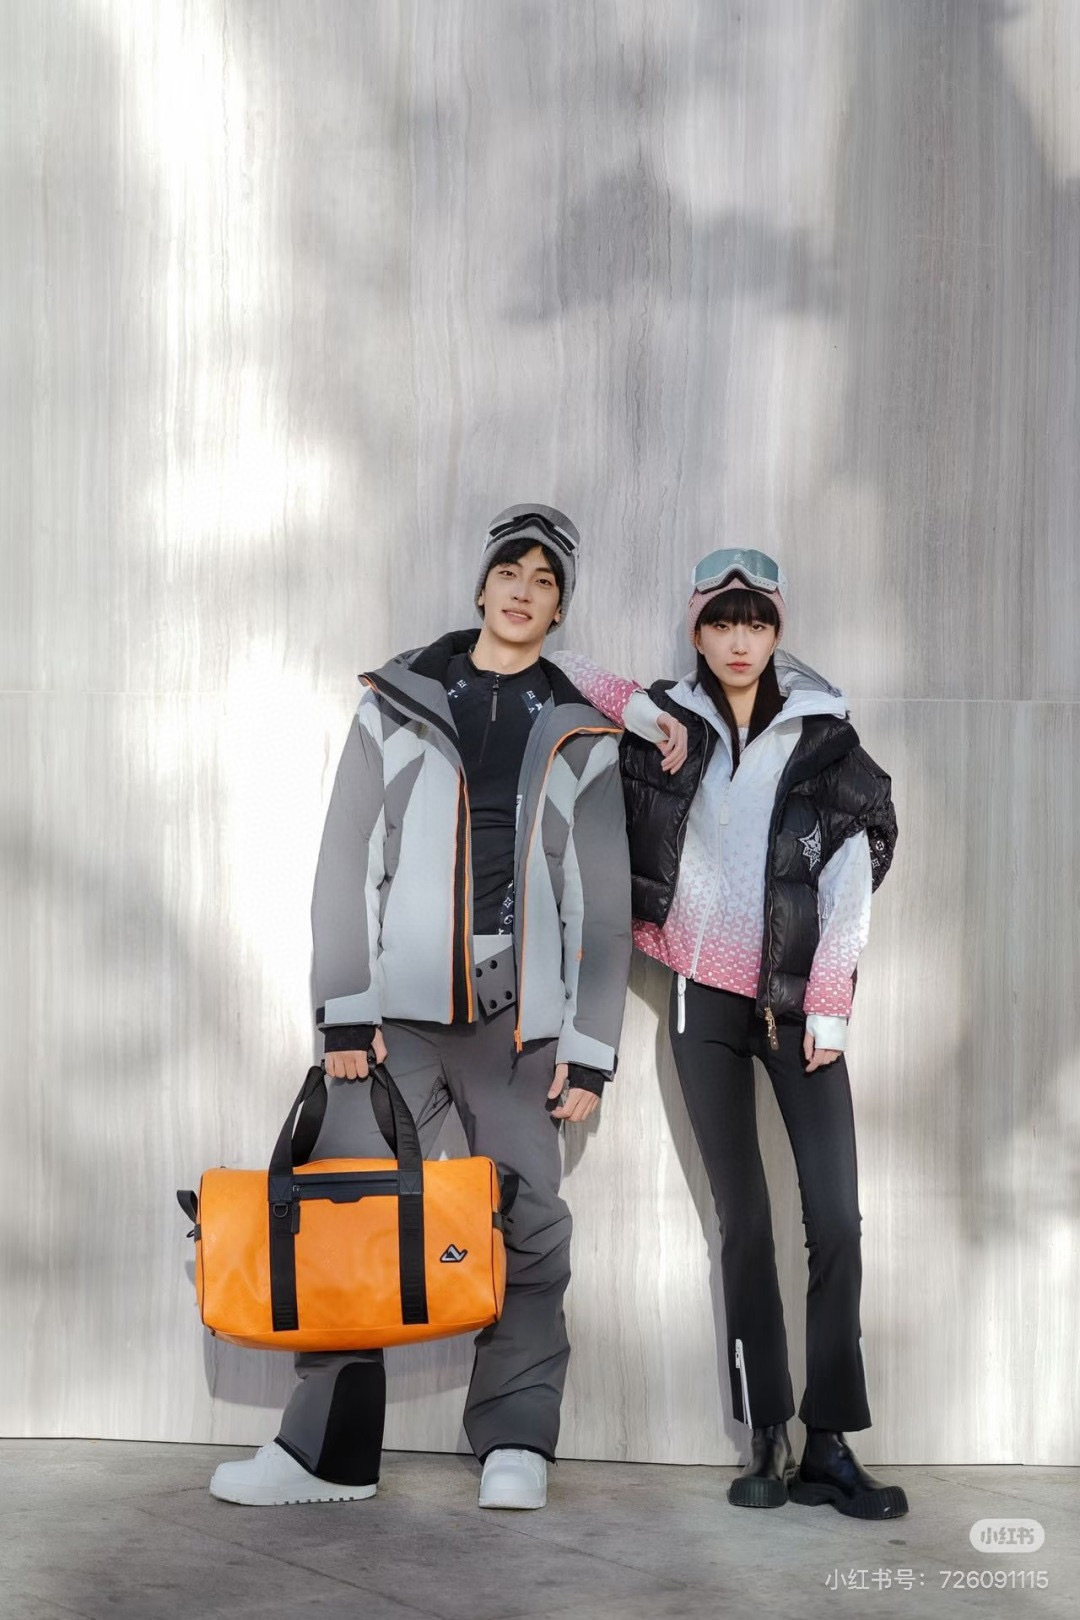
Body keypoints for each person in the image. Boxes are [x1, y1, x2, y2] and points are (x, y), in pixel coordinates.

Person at [209, 504, 645, 1511]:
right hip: (392, 1025)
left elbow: (602, 906)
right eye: (511, 571)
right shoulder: (395, 706)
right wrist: (345, 1013)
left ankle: (516, 1442)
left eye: (545, 579)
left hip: (519, 1030)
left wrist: (589, 1047)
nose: (523, 590)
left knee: (530, 1226)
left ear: (560, 607)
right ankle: (327, 1456)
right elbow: (345, 863)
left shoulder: (581, 733)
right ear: (483, 584)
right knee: (344, 1213)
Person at [554, 547, 908, 1520]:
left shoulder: (825, 738)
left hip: (798, 1006)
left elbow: (848, 880)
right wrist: (640, 713)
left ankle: (830, 1444)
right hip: (699, 999)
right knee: (742, 1222)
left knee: (836, 1220)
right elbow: (563, 670)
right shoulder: (676, 719)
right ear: (699, 630)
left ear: (777, 629)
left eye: (756, 622)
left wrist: (829, 1003)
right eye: (721, 622)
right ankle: (766, 1432)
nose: (739, 640)